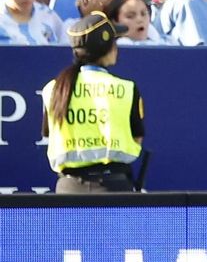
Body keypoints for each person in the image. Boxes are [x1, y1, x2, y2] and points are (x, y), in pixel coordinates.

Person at [43, 11, 146, 193]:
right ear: (109, 47)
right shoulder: (126, 88)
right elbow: (137, 137)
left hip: (68, 189)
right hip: (115, 188)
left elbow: (48, 134)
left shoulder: (53, 88)